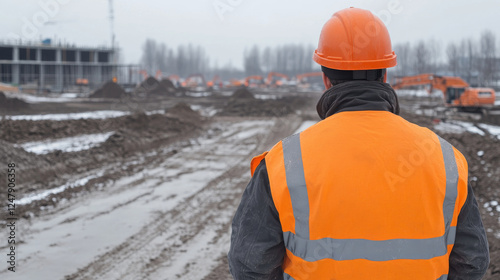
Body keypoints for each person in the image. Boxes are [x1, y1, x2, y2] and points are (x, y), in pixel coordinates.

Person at [228, 7, 489, 280]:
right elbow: (472, 262)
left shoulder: (284, 163)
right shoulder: (446, 160)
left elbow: (250, 266)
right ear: (385, 75)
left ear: (325, 78)